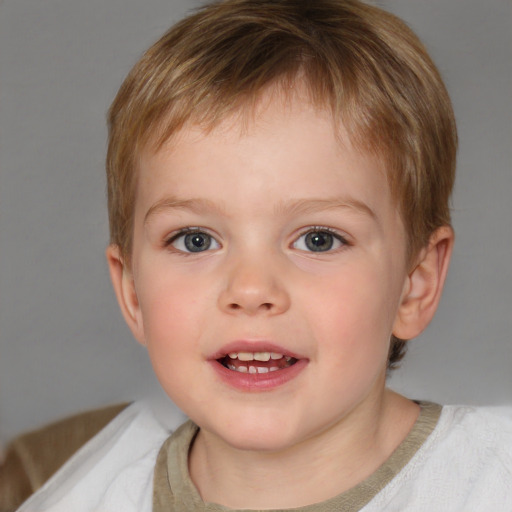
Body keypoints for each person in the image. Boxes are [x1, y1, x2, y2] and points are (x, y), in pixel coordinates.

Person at [18, 0, 512, 510]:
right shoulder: (84, 496)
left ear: (417, 282)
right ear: (132, 293)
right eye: (195, 239)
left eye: (319, 239)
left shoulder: (491, 483)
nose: (251, 290)